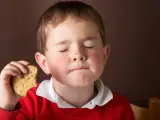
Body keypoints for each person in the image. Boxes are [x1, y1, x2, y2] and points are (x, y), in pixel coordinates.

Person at [0, 1, 135, 120]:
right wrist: (7, 106)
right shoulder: (28, 103)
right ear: (44, 63)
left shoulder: (120, 107)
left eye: (89, 45)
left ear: (105, 55)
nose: (78, 54)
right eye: (63, 49)